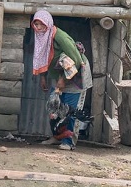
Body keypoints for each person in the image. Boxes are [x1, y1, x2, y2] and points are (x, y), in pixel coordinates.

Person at [32, 10, 92, 151]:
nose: (38, 28)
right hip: (59, 75)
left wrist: (64, 80)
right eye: (36, 24)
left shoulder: (60, 37)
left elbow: (76, 61)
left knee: (70, 110)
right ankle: (57, 136)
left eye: (41, 24)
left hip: (76, 76)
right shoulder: (42, 37)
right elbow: (43, 57)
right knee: (54, 108)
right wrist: (43, 77)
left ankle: (68, 141)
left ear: (48, 23)